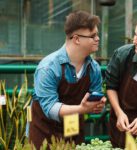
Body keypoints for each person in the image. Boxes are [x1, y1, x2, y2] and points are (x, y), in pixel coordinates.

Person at [28, 10, 106, 150]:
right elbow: (50, 108)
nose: (98, 39)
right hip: (43, 130)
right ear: (76, 39)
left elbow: (96, 102)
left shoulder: (94, 68)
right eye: (93, 35)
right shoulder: (48, 67)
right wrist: (82, 108)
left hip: (73, 129)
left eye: (97, 34)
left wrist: (98, 106)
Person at [105, 12, 137, 148]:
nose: (134, 41)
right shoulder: (123, 55)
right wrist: (119, 112)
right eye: (135, 35)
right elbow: (111, 86)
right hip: (122, 125)